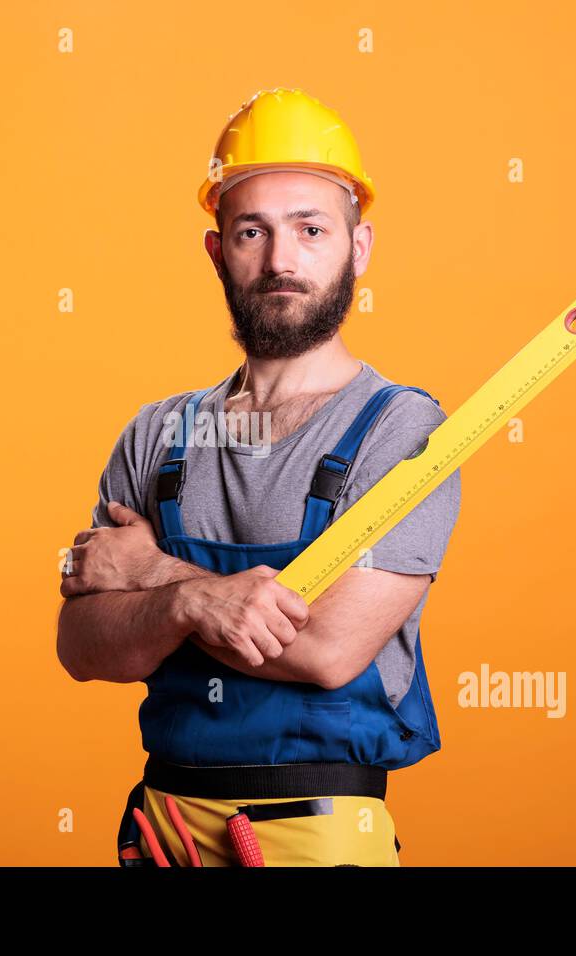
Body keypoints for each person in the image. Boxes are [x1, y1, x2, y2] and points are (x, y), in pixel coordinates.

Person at [56, 88, 461, 866]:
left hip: (314, 833)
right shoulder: (156, 436)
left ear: (359, 247)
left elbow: (330, 650)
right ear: (218, 250)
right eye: (253, 231)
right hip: (162, 827)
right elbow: (80, 645)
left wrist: (153, 578)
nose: (282, 260)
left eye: (311, 230)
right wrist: (196, 599)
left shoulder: (406, 433)